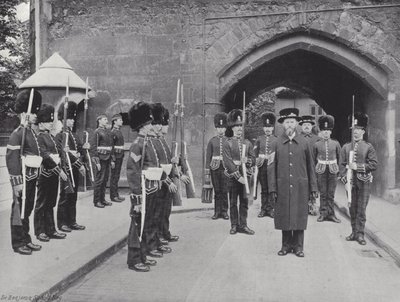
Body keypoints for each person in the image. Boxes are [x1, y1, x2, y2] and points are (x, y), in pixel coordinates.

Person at [268, 108, 318, 257]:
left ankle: (298, 247)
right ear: (283, 125)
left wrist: (313, 187)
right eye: (287, 122)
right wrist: (272, 188)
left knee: (299, 216)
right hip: (282, 185)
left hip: (300, 186)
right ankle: (285, 246)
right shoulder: (276, 143)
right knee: (284, 215)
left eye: (292, 122)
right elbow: (271, 168)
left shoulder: (304, 143)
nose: (289, 125)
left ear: (297, 124)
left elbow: (311, 166)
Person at [6, 89, 43, 255]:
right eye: (33, 112)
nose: (36, 116)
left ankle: (26, 238)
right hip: (22, 180)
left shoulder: (30, 133)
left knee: (27, 210)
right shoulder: (17, 134)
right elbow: (12, 160)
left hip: (31, 178)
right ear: (24, 113)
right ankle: (18, 242)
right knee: (18, 211)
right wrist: (17, 183)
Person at [126, 102, 161, 272]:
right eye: (147, 124)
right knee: (137, 225)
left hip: (150, 189)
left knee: (146, 224)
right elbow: (133, 172)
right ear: (141, 126)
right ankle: (133, 259)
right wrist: (137, 197)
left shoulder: (147, 142)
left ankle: (142, 255)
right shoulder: (137, 145)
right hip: (141, 193)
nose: (150, 126)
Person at [340, 112, 378, 246]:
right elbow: (342, 165)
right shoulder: (345, 147)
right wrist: (345, 179)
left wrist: (358, 166)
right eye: (354, 130)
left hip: (364, 182)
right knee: (352, 208)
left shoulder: (368, 147)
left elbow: (374, 164)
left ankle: (360, 234)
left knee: (361, 209)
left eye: (358, 130)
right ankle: (353, 232)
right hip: (350, 183)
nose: (356, 133)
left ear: (363, 131)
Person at [35, 104, 68, 242]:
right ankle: (40, 231)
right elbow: (44, 155)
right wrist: (58, 170)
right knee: (42, 203)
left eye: (51, 121)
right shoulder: (39, 137)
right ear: (41, 123)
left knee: (50, 203)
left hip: (53, 175)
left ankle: (51, 229)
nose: (50, 123)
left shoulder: (52, 137)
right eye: (48, 121)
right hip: (45, 174)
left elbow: (57, 152)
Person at [56, 101, 87, 232]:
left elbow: (80, 150)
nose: (72, 121)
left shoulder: (73, 135)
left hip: (74, 169)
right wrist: (78, 162)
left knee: (73, 196)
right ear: (63, 119)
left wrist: (84, 150)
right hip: (66, 169)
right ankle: (62, 223)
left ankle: (71, 221)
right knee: (65, 196)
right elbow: (62, 153)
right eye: (69, 119)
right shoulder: (59, 135)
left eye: (72, 118)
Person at [223, 109, 255, 235]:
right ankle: (234, 225)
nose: (239, 129)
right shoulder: (228, 143)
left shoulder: (247, 143)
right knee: (232, 202)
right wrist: (237, 176)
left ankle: (244, 225)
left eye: (240, 126)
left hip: (245, 176)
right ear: (232, 128)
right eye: (236, 126)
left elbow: (253, 159)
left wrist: (247, 160)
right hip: (232, 177)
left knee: (244, 202)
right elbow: (228, 162)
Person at [313, 115, 341, 223]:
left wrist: (339, 172)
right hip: (321, 170)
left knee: (331, 193)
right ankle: (323, 213)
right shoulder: (316, 144)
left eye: (328, 130)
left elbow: (339, 158)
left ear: (331, 132)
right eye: (324, 130)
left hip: (333, 170)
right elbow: (314, 159)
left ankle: (331, 214)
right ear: (321, 131)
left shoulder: (336, 143)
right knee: (323, 193)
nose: (326, 132)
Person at [158, 107, 180, 242]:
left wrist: (173, 161)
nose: (166, 127)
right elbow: (157, 164)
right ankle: (160, 235)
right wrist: (168, 181)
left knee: (166, 210)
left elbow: (166, 160)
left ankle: (165, 232)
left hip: (166, 179)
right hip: (161, 181)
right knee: (160, 211)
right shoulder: (157, 141)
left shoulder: (163, 141)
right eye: (165, 124)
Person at [205, 112, 229, 220]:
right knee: (217, 191)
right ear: (216, 128)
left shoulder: (229, 141)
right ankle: (217, 212)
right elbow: (208, 157)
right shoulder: (212, 141)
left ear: (225, 128)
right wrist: (207, 173)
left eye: (223, 127)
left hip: (225, 169)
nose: (221, 130)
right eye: (219, 127)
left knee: (224, 191)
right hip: (214, 168)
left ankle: (224, 212)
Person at [254, 112, 277, 218]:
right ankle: (263, 209)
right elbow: (255, 153)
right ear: (263, 128)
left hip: (272, 166)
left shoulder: (276, 140)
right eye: (266, 127)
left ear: (273, 128)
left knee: (271, 187)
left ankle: (271, 209)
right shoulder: (259, 139)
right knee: (263, 188)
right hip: (262, 165)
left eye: (270, 127)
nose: (268, 129)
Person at [91, 114, 115, 208]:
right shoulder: (97, 132)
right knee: (99, 180)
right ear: (99, 121)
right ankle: (96, 201)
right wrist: (97, 162)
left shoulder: (107, 132)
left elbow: (111, 146)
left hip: (107, 158)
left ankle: (102, 199)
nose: (106, 121)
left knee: (105, 180)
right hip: (100, 159)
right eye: (105, 119)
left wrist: (112, 160)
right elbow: (93, 147)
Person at [299, 115, 320, 216]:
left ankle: (312, 205)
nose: (306, 126)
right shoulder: (297, 138)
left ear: (312, 126)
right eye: (304, 125)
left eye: (308, 125)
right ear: (301, 126)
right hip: (301, 166)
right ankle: (302, 206)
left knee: (313, 186)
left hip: (313, 166)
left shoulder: (317, 139)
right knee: (302, 186)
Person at [110, 113, 125, 203]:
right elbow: (111, 147)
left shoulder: (118, 131)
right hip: (115, 157)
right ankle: (113, 196)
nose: (122, 121)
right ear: (115, 122)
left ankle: (116, 194)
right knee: (114, 177)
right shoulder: (113, 132)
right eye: (120, 120)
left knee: (116, 177)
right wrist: (112, 159)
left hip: (119, 156)